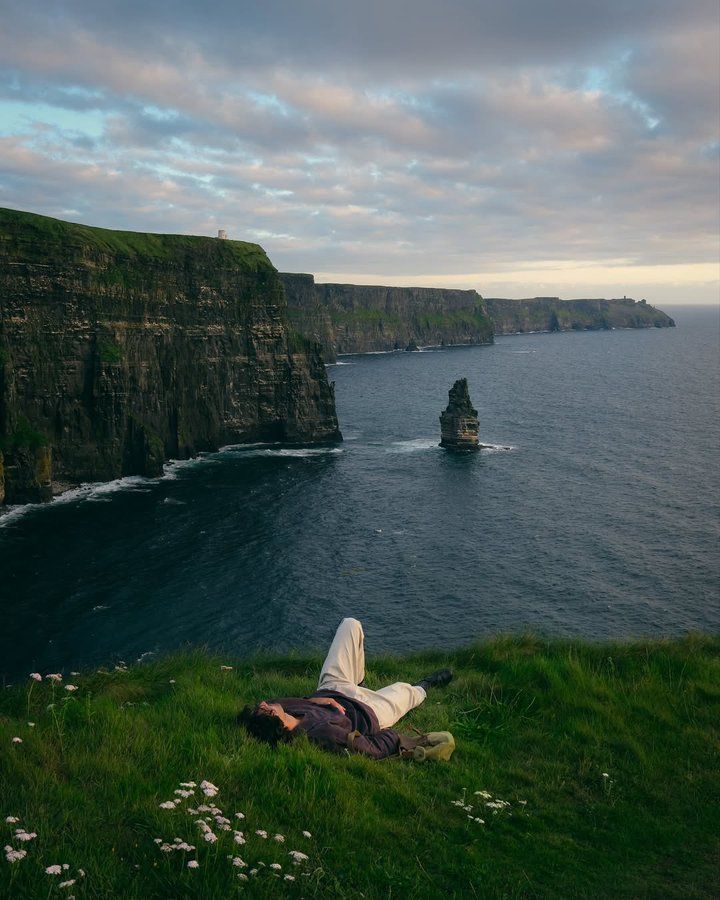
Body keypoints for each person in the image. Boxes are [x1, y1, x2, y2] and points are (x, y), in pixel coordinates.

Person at [238, 617, 454, 760]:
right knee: (405, 691)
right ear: (278, 722)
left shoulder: (281, 707)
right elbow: (372, 749)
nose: (264, 703)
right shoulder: (322, 733)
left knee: (350, 625)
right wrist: (390, 735)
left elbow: (292, 703)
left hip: (333, 689)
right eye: (264, 709)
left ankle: (358, 681)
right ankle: (427, 684)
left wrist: (318, 700)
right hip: (369, 711)